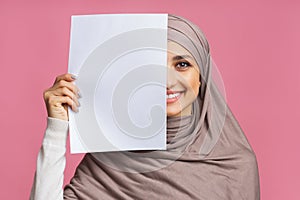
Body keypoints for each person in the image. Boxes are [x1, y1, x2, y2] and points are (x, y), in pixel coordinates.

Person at [30, 14, 260, 199]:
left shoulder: (235, 164)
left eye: (182, 64)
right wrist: (57, 128)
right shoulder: (112, 151)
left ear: (202, 76)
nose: (168, 80)